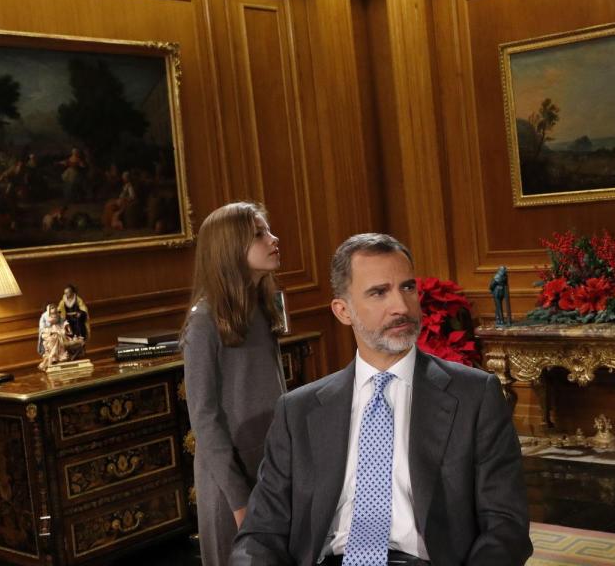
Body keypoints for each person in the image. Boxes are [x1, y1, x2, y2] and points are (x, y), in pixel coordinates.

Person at [232, 233, 532, 566]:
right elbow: (259, 534)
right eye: (379, 292)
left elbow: (506, 526)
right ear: (343, 311)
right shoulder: (298, 411)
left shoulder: (475, 396)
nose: (401, 307)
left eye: (407, 288)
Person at [181, 202, 287, 566]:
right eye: (259, 233)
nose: (273, 239)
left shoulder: (262, 307)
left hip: (272, 469)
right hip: (231, 482)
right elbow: (205, 421)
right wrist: (239, 500)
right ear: (230, 247)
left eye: (268, 230)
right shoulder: (203, 323)